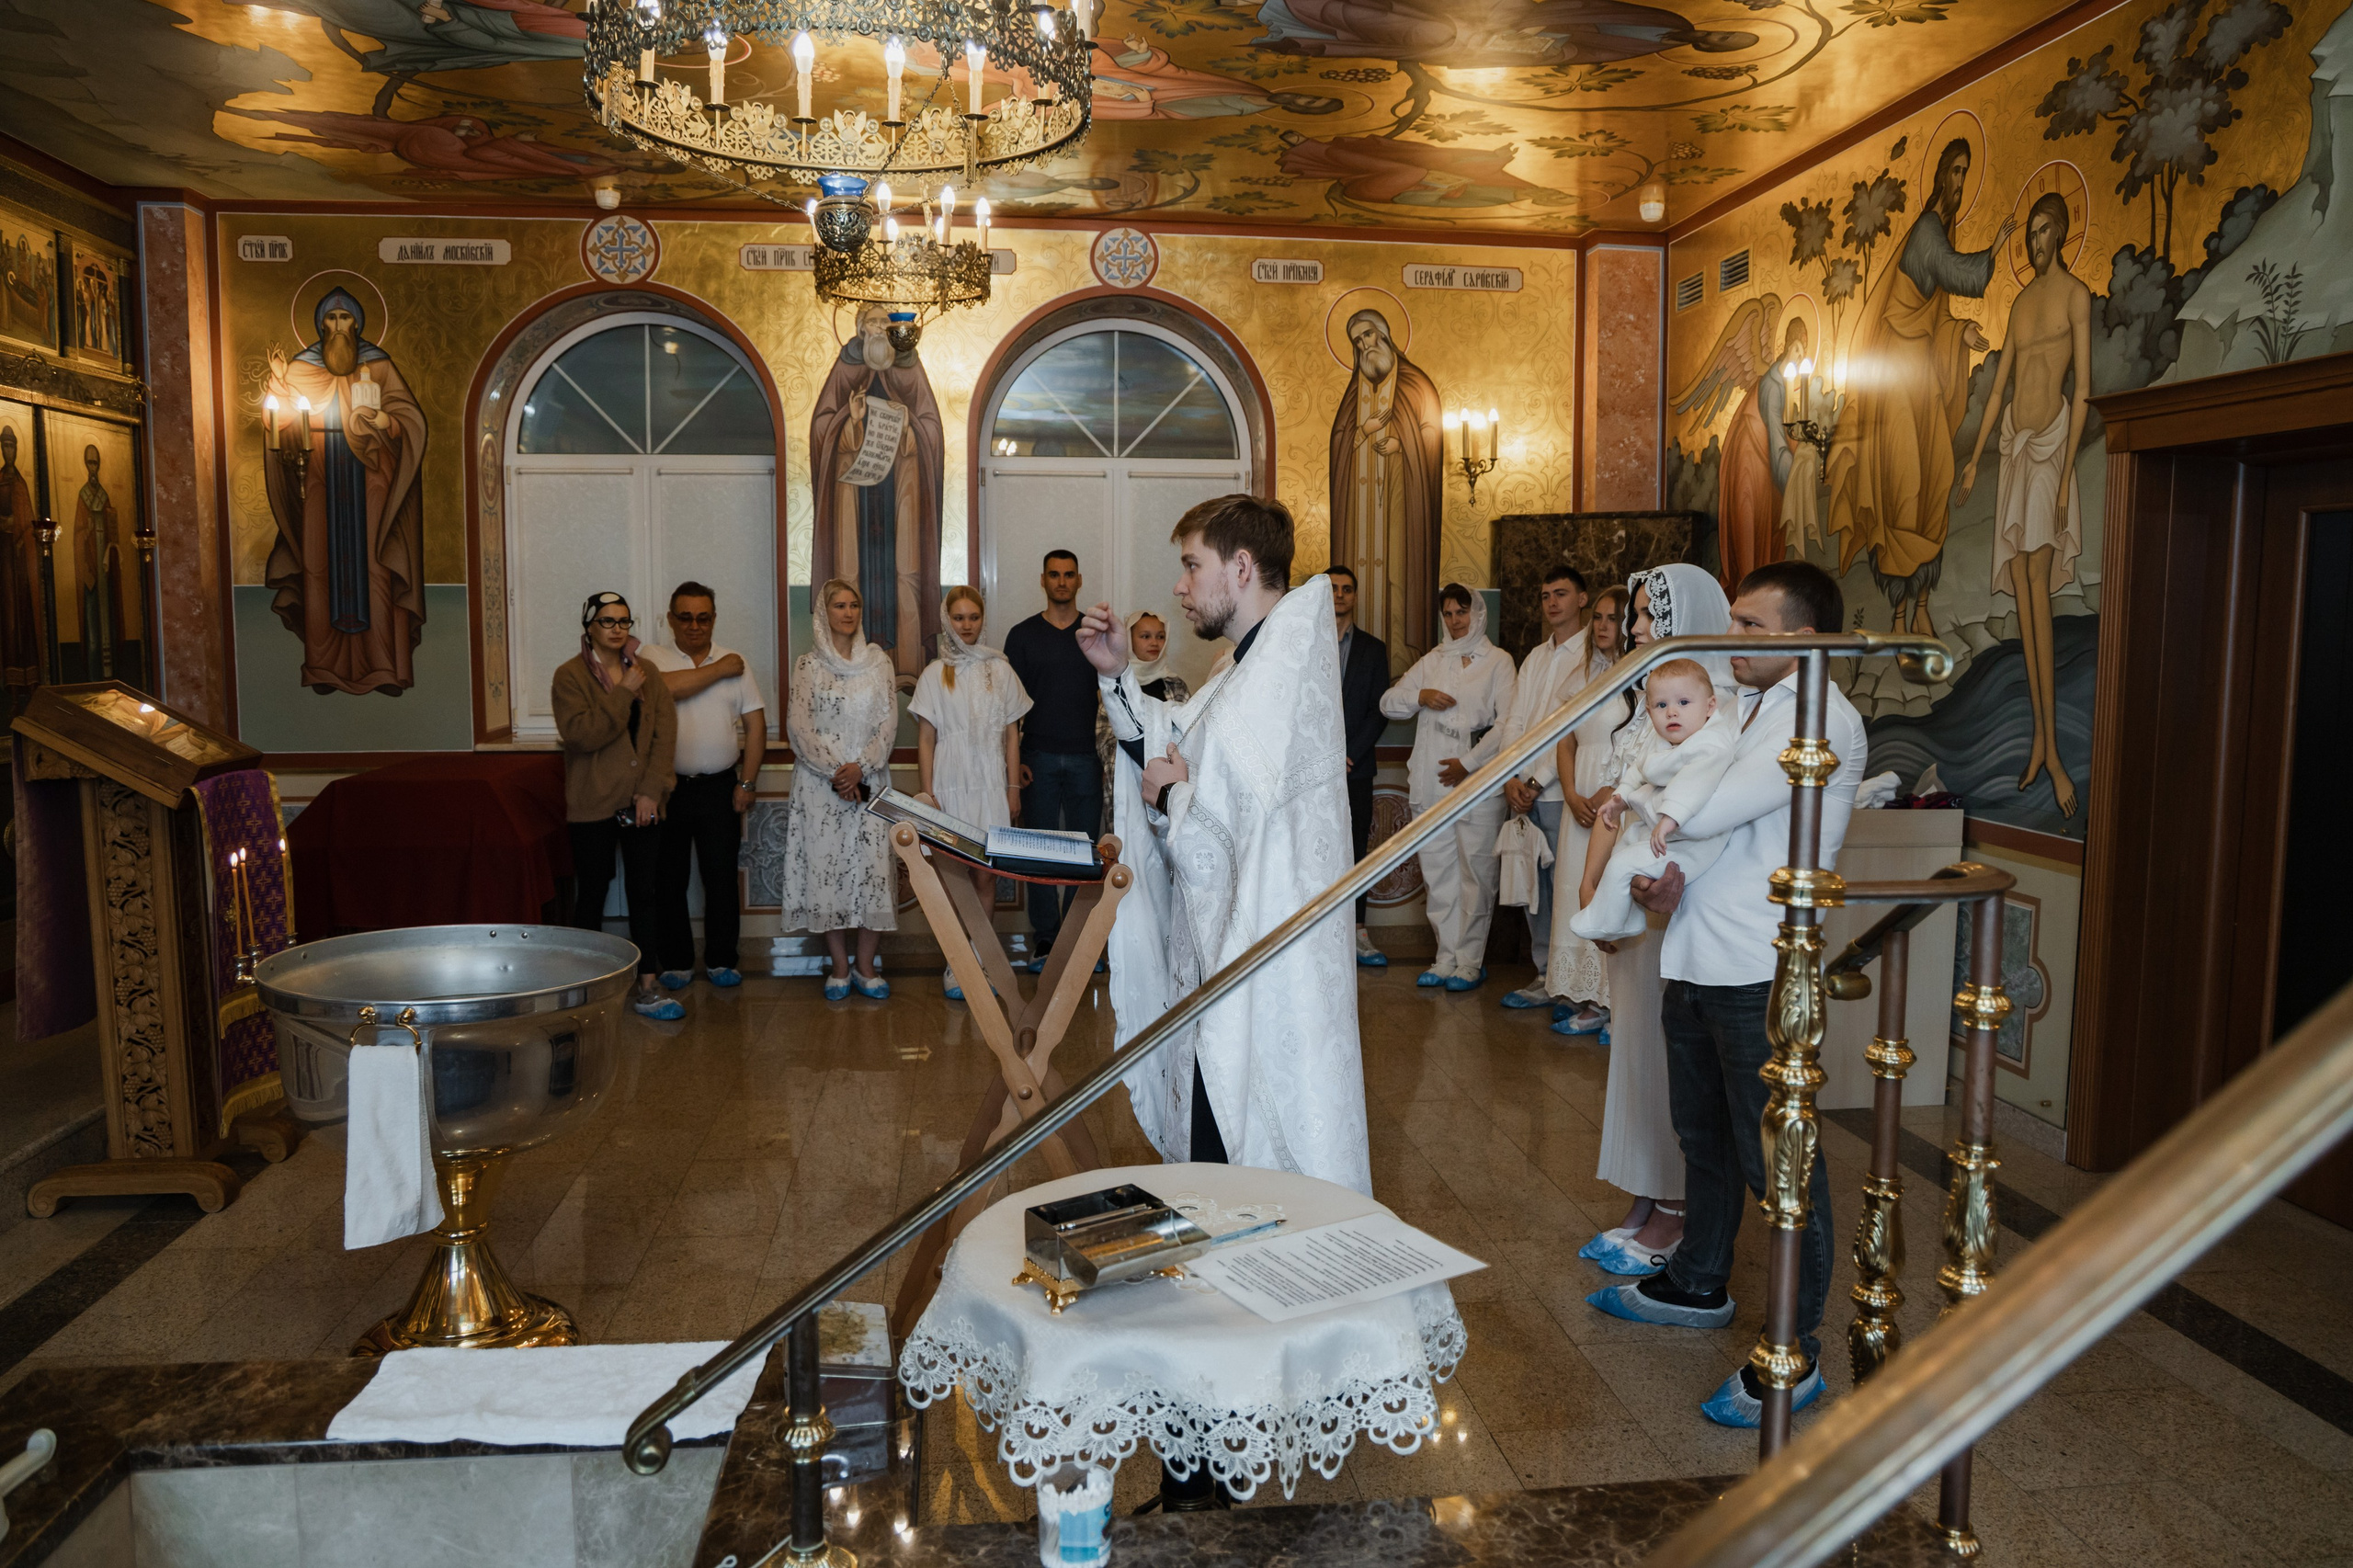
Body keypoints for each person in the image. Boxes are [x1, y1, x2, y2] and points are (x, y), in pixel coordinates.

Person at [1587, 559, 1866, 1430]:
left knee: (1780, 1164)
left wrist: (1658, 805)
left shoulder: (1822, 716)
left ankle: (1796, 1347)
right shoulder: (1745, 705)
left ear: (1806, 639)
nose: (1729, 639)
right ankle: (1700, 1280)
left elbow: (1707, 810)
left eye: (1750, 627)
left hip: (1761, 965)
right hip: (1697, 952)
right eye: (1731, 622)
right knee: (1701, 1134)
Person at [1082, 493, 1371, 1195]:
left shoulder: (1275, 679)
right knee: (1221, 1156)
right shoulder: (1246, 669)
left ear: (1241, 567)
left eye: (1192, 565)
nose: (1180, 586)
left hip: (1260, 966)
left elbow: (1216, 842)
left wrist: (1170, 796)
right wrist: (1119, 675)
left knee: (1250, 1161)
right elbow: (1177, 742)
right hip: (1229, 956)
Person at [1569, 568, 1733, 1273]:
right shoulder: (1650, 705)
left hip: (1667, 903)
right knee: (1634, 1054)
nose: (1634, 628)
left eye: (1645, 616)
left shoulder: (1705, 710)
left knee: (1668, 1061)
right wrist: (1588, 882)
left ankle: (1676, 1205)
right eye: (1634, 616)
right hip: (1622, 885)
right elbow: (1618, 797)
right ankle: (1645, 1193)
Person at [1955, 190, 2090, 818]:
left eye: (2044, 233)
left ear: (2061, 234)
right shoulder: (2022, 302)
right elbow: (1999, 384)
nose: (2035, 244)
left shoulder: (2073, 297)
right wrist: (1973, 458)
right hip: (2014, 448)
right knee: (2022, 583)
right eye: (2030, 234)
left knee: (2037, 584)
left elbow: (2084, 389)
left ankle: (2052, 750)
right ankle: (2042, 737)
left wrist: (2065, 479)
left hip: (2051, 447)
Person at [553, 591, 681, 1020]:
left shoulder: (649, 674)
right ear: (589, 626)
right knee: (592, 892)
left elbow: (664, 738)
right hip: (592, 805)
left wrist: (651, 791)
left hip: (642, 802)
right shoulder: (569, 676)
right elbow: (582, 736)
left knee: (645, 892)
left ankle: (648, 984)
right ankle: (584, 986)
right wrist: (623, 693)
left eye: (624, 621)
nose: (617, 629)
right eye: (607, 621)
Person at [1380, 585, 1516, 991]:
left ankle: (1471, 961)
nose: (1456, 621)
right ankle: (1445, 957)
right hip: (1431, 782)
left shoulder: (1499, 662)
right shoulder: (1433, 660)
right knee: (1439, 872)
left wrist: (1469, 765)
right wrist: (1419, 695)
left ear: (1478, 614)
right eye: (1449, 614)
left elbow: (1509, 723)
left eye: (1463, 612)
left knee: (1476, 873)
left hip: (1477, 784)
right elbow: (1389, 701)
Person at [1472, 563, 1592, 1008]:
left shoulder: (1590, 657)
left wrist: (1538, 781)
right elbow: (1517, 723)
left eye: (1561, 593)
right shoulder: (1536, 657)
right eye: (1545, 595)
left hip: (1561, 791)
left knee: (1567, 887)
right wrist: (1509, 780)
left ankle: (1576, 982)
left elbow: (1573, 730)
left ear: (1582, 599)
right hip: (1523, 789)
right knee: (1532, 889)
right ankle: (1545, 975)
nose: (1552, 603)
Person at [641, 581, 766, 993]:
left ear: (714, 619)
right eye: (686, 617)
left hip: (720, 787)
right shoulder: (650, 657)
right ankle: (675, 961)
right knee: (669, 879)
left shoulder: (737, 661)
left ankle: (722, 961)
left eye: (703, 617)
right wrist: (717, 670)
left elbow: (755, 725)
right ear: (670, 619)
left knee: (720, 878)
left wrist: (747, 782)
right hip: (667, 789)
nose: (695, 626)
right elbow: (664, 689)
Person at [779, 579, 899, 1002]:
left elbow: (888, 724)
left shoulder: (878, 663)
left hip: (869, 786)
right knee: (827, 871)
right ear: (823, 613)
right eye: (838, 605)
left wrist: (860, 769)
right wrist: (838, 772)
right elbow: (799, 726)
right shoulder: (807, 666)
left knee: (871, 872)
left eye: (854, 605)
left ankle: (867, 967)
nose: (847, 612)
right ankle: (840, 967)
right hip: (820, 787)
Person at [912, 585, 1031, 1000]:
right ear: (947, 620)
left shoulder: (999, 669)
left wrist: (1013, 789)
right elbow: (926, 740)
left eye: (973, 618)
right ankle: (956, 960)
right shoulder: (933, 673)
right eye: (959, 618)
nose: (967, 626)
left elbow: (1012, 738)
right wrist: (927, 795)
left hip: (990, 784)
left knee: (985, 876)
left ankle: (982, 958)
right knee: (951, 878)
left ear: (982, 620)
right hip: (948, 782)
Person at [1570, 660, 1736, 942]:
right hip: (1661, 833)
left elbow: (1694, 785)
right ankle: (1628, 919)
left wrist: (1669, 818)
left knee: (1623, 865)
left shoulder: (1710, 744)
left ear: (1710, 707)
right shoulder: (1664, 742)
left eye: (1683, 702)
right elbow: (1639, 769)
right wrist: (1620, 798)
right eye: (1661, 706)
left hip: (1691, 843)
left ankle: (1604, 921)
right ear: (1649, 711)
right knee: (1620, 853)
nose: (1672, 712)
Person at [1005, 550, 1103, 973]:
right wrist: (1013, 765)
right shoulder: (1022, 635)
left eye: (1069, 575)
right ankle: (1045, 941)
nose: (1061, 582)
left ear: (1079, 580)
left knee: (1084, 852)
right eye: (1054, 575)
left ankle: (1077, 941)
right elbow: (1007, 710)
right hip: (1037, 758)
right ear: (1042, 580)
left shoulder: (1094, 633)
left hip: (1087, 758)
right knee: (1040, 854)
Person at [1546, 585, 1627, 1035]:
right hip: (1578, 799)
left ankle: (1618, 1004)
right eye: (1597, 617)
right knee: (1574, 890)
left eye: (1612, 618)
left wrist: (1610, 792)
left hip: (1619, 800)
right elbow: (1566, 739)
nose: (1602, 626)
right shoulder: (1579, 676)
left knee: (1609, 890)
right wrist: (1573, 793)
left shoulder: (1639, 675)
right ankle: (1588, 997)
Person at [1329, 565, 1392, 966]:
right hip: (1312, 771)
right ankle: (1319, 932)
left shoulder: (1373, 649)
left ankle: (1357, 931)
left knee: (1355, 850)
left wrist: (1349, 753)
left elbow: (1379, 710)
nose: (1339, 595)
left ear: (1355, 596)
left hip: (1356, 768)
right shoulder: (1302, 644)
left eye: (1347, 589)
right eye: (1333, 588)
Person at [1095, 609, 1189, 836]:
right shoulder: (1117, 685)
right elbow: (1106, 741)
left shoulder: (1176, 685)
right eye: (1145, 636)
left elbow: (1187, 737)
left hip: (1167, 785)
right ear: (1128, 640)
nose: (1154, 642)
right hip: (1127, 782)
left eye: (1160, 636)